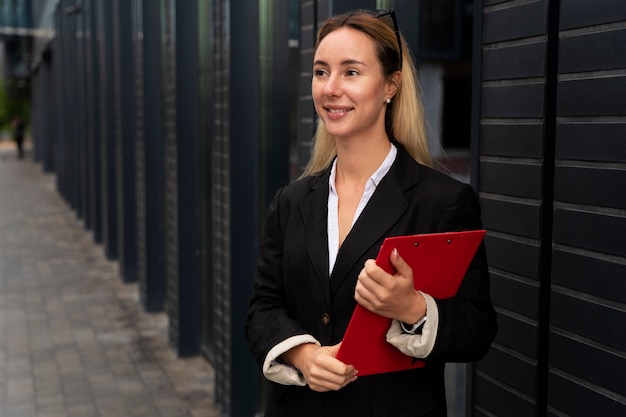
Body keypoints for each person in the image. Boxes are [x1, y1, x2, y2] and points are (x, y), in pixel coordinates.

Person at [245, 9, 497, 417]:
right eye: (321, 72)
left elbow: (478, 328)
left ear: (390, 86)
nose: (331, 88)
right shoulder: (290, 203)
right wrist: (304, 356)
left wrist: (413, 308)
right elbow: (263, 309)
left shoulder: (442, 202)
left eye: (351, 72)